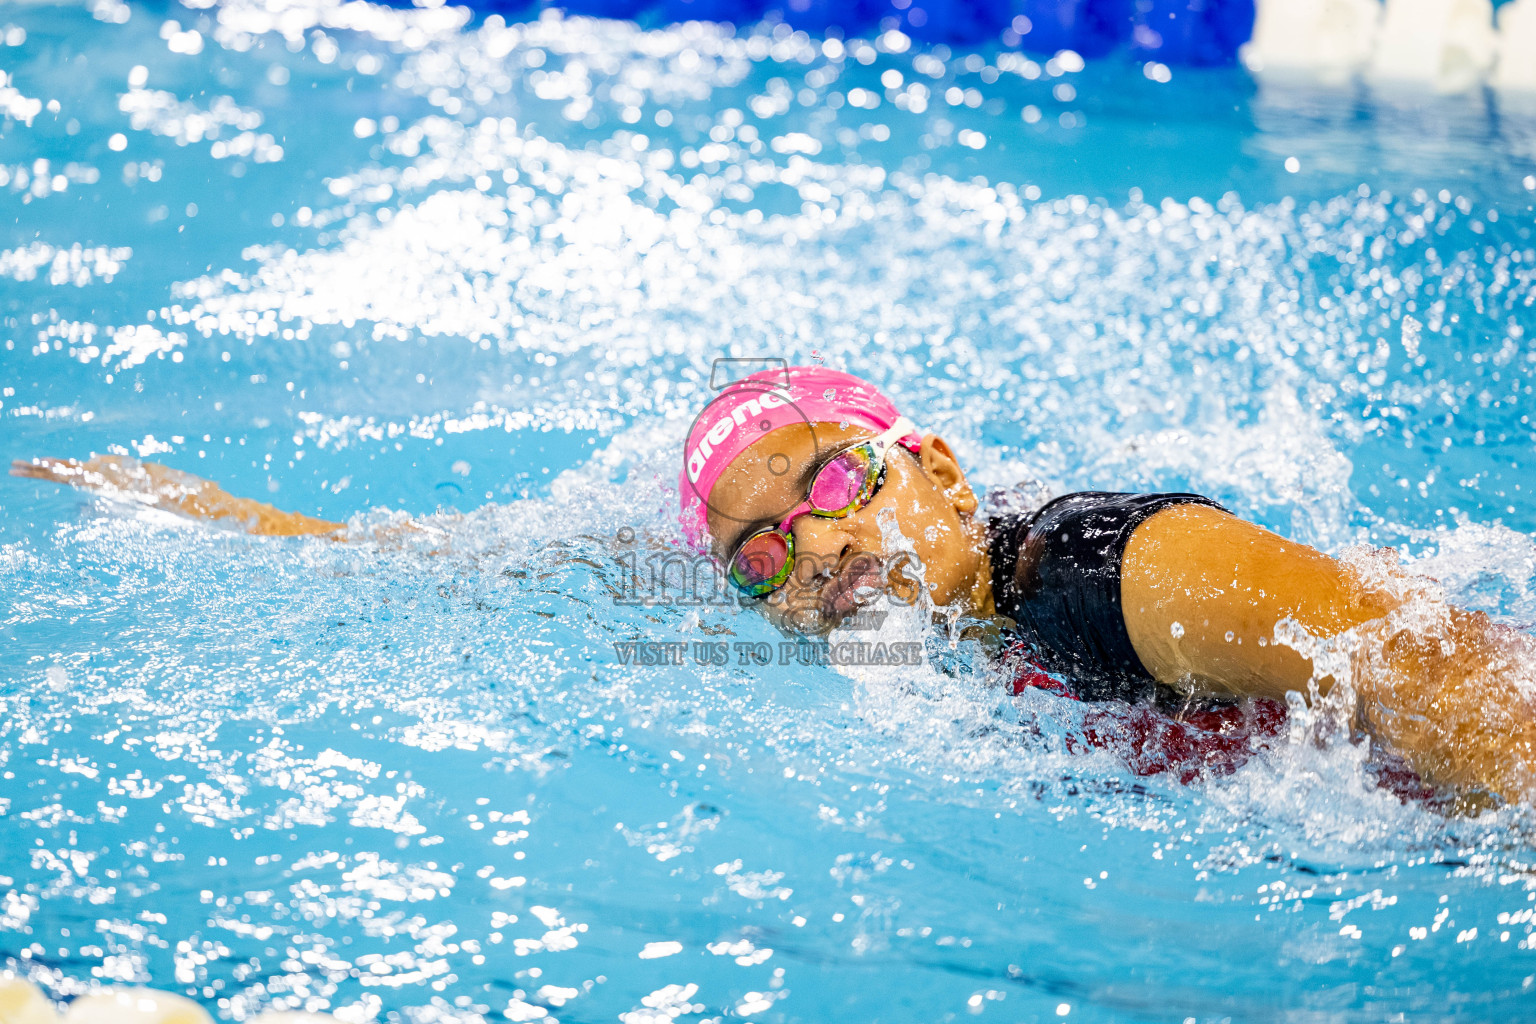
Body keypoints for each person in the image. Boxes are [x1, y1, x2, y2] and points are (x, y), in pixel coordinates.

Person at [15, 366, 1536, 804]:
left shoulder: (1104, 572)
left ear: (930, 465)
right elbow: (454, 563)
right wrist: (212, 514)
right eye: (758, 552)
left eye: (827, 484)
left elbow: (1441, 665)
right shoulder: (892, 612)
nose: (808, 551)